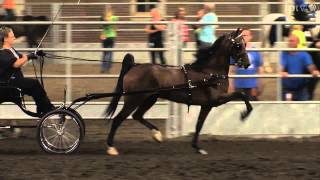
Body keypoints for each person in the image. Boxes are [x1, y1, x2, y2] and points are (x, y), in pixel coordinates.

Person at [0, 26, 54, 116]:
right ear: (5, 39)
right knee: (34, 84)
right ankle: (45, 108)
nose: (14, 38)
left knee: (34, 86)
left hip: (15, 81)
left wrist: (34, 54)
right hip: (9, 85)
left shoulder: (11, 50)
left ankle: (44, 107)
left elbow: (22, 59)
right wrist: (28, 57)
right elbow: (16, 63)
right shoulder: (2, 52)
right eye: (12, 36)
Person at [280, 34, 319, 101]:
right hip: (287, 89)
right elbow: (281, 66)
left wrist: (313, 71)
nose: (290, 43)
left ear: (297, 42)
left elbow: (310, 66)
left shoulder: (304, 54)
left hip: (301, 88)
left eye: (292, 41)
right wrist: (281, 72)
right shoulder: (284, 53)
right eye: (289, 41)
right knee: (286, 108)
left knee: (304, 108)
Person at [229, 29, 264, 101]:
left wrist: (259, 85)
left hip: (251, 86)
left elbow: (260, 70)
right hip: (238, 85)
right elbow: (230, 70)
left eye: (245, 35)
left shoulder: (255, 51)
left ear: (250, 37)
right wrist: (230, 84)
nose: (243, 37)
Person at [100, 5, 118, 73]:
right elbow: (117, 19)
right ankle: (107, 68)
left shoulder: (102, 17)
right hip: (111, 36)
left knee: (105, 53)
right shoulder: (113, 17)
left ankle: (103, 68)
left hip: (105, 36)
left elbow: (101, 26)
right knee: (110, 53)